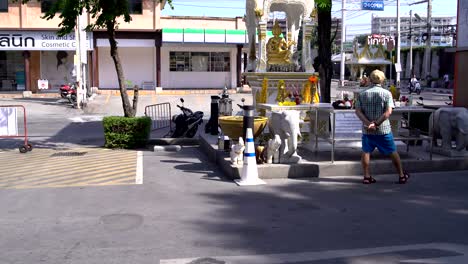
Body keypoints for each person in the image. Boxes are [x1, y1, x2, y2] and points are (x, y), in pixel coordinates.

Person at [355, 70, 410, 184]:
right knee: (392, 151)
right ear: (382, 80)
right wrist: (376, 124)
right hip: (383, 129)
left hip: (367, 130)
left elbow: (358, 111)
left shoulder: (362, 93)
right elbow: (388, 112)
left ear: (370, 79)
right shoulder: (386, 93)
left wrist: (368, 123)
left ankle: (366, 176)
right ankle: (401, 175)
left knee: (366, 151)